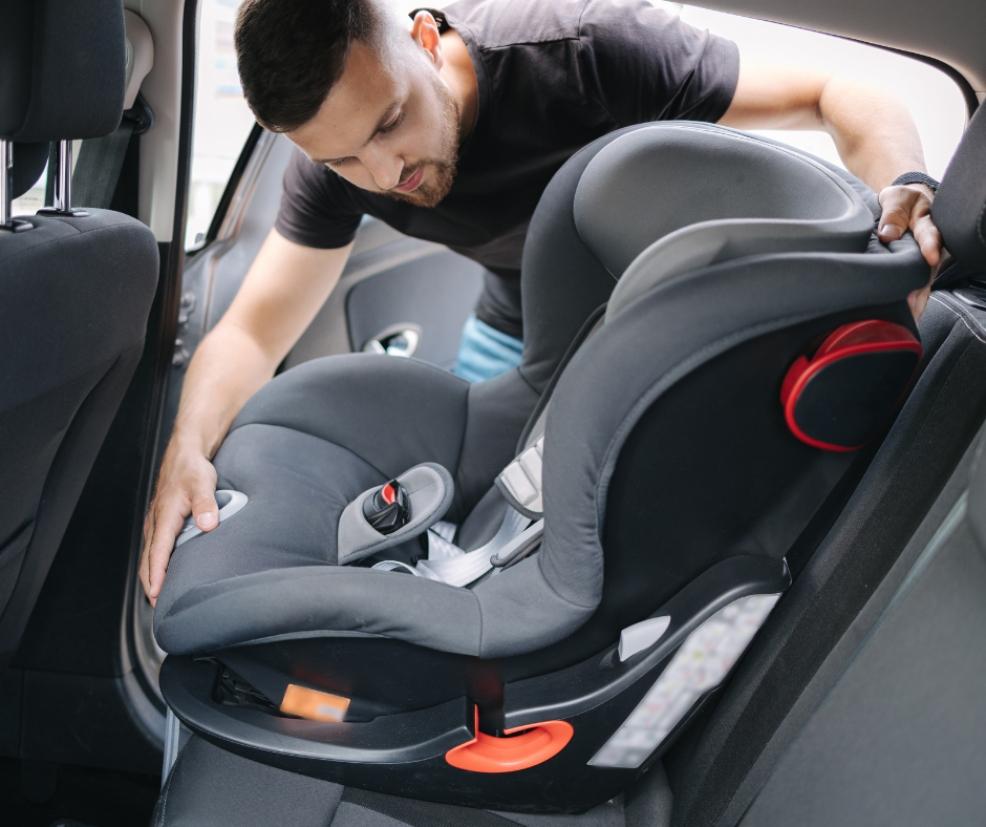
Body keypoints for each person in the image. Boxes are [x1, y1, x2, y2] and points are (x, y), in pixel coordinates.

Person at [140, 0, 943, 605]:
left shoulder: (585, 50)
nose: (386, 173)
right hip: (521, 320)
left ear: (424, 39)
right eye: (345, 156)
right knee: (481, 519)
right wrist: (187, 450)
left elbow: (839, 89)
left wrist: (905, 187)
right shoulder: (333, 170)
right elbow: (251, 329)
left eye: (392, 123)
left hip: (663, 309)